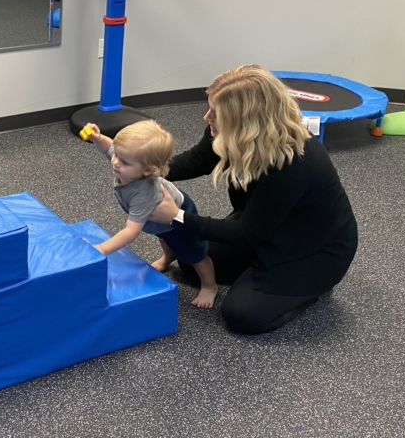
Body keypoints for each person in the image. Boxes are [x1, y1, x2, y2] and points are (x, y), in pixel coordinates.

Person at [149, 65, 359, 334]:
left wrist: (177, 215)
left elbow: (246, 233)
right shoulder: (228, 133)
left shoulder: (293, 163)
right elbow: (197, 160)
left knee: (241, 315)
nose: (206, 117)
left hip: (312, 251)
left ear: (244, 121)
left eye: (216, 113)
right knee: (191, 261)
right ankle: (260, 275)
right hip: (264, 225)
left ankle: (310, 289)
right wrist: (147, 169)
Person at [84, 119, 218, 308]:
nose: (115, 161)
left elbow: (131, 231)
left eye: (123, 161)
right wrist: (97, 138)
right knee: (161, 233)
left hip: (177, 217)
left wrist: (103, 249)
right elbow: (110, 147)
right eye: (117, 155)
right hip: (156, 220)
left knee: (193, 253)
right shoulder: (129, 160)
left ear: (147, 170)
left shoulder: (144, 193)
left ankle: (209, 286)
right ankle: (168, 257)